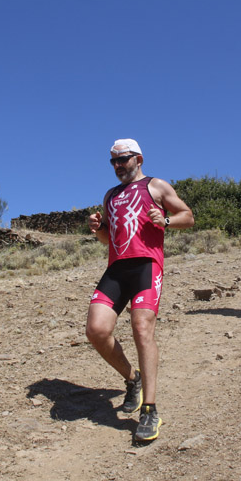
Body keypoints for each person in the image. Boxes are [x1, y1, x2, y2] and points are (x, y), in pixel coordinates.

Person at [86, 138, 194, 442]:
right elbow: (108, 239)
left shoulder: (156, 186)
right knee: (96, 330)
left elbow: (188, 216)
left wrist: (167, 220)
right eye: (114, 161)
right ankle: (132, 378)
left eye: (124, 159)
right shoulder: (110, 195)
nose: (118, 165)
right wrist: (99, 228)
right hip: (117, 268)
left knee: (141, 328)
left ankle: (150, 408)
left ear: (139, 159)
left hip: (147, 265)